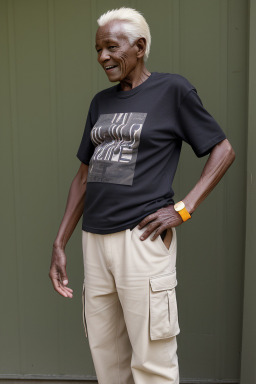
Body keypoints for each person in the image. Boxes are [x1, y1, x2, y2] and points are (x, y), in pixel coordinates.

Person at [49, 7, 235, 384]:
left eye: (111, 47)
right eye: (98, 49)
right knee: (107, 357)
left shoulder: (173, 90)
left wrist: (183, 209)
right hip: (94, 242)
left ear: (140, 46)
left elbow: (223, 150)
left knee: (152, 360)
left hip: (142, 239)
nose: (103, 57)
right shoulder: (100, 103)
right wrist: (60, 241)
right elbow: (83, 176)